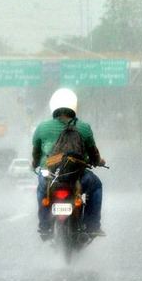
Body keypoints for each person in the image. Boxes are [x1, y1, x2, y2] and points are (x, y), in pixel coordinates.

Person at [31, 88, 106, 239]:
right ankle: (92, 226)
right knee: (96, 186)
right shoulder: (84, 127)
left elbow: (36, 153)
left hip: (50, 176)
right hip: (77, 176)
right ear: (74, 107)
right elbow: (94, 154)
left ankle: (45, 226)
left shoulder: (42, 128)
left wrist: (35, 165)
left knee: (41, 190)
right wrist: (98, 162)